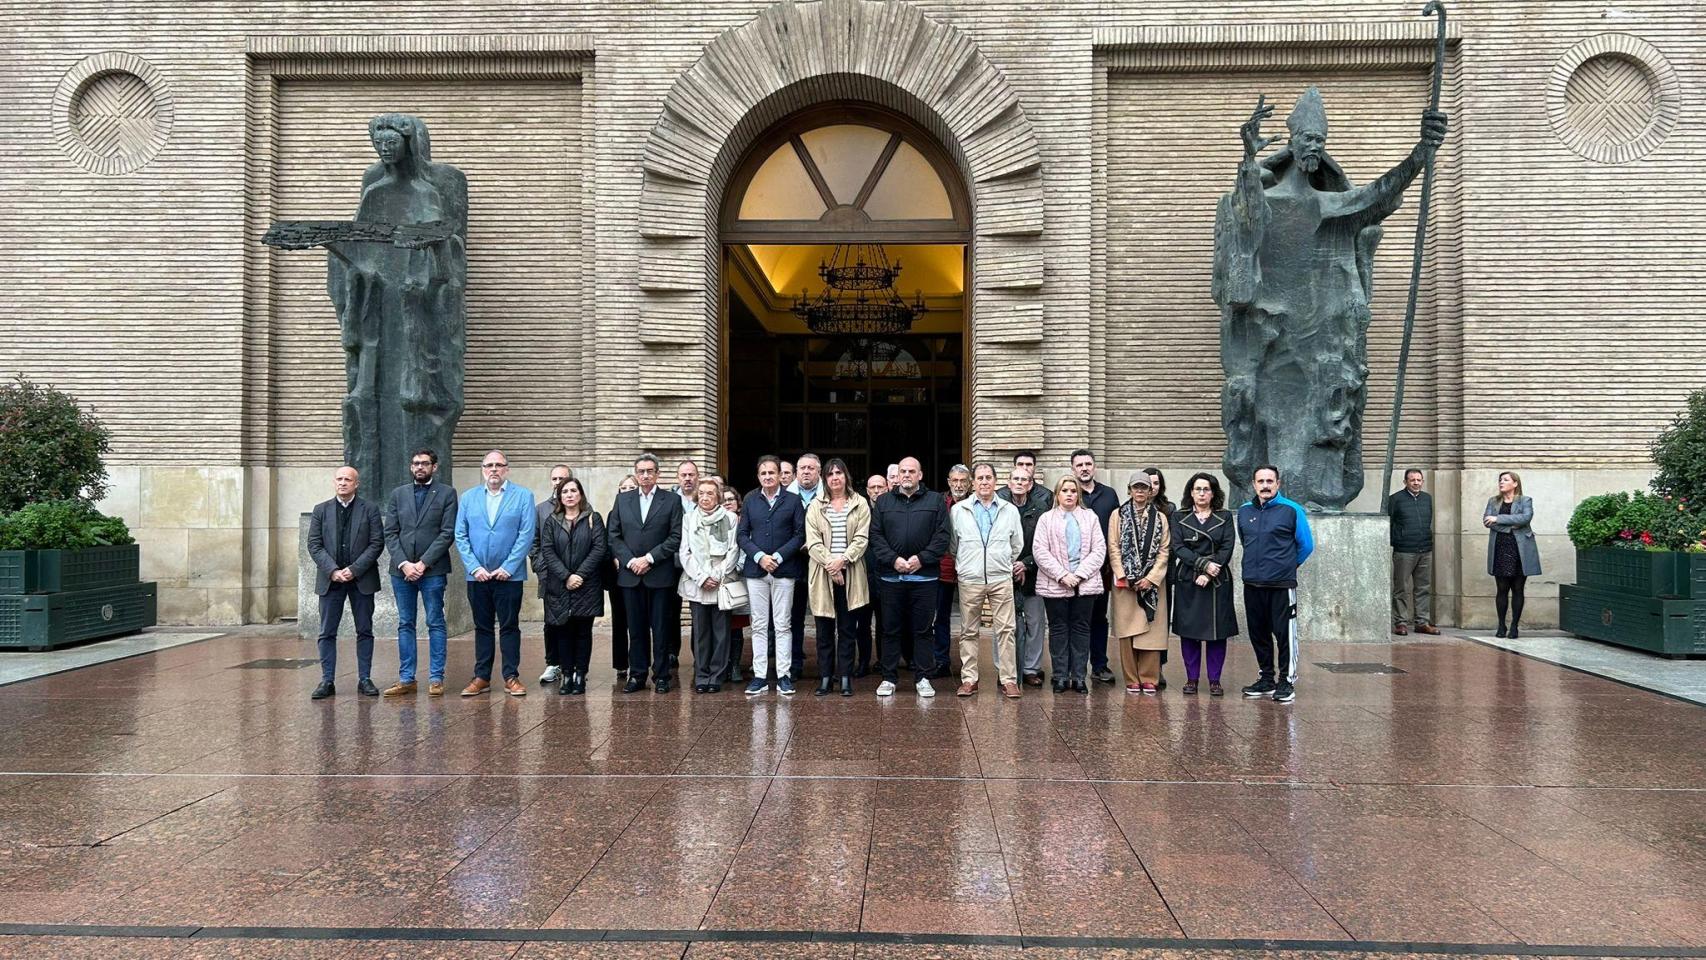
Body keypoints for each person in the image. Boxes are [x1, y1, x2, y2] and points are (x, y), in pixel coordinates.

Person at [454, 450, 536, 697]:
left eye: (499, 465)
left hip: (508, 576)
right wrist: (475, 567)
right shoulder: (468, 498)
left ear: (507, 469)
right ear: (482, 469)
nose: (494, 470)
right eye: (489, 465)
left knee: (509, 626)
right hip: (477, 576)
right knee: (482, 627)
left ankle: (511, 676)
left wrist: (508, 567)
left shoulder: (523, 496)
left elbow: (526, 534)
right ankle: (481, 677)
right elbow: (460, 535)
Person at [869, 456, 949, 698]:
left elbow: (942, 537)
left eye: (911, 471)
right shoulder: (883, 501)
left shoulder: (935, 501)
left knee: (923, 630)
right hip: (891, 578)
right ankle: (889, 678)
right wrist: (894, 560)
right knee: (890, 629)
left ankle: (924, 677)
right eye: (902, 471)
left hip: (924, 578)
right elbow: (876, 536)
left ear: (920, 475)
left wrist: (920, 559)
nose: (906, 475)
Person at [381, 448, 458, 698]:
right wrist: (405, 563)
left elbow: (447, 533)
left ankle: (436, 678)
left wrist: (423, 563)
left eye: (425, 463)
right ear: (410, 467)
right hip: (401, 571)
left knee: (435, 622)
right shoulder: (398, 494)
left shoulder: (447, 493)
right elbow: (390, 532)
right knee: (405, 623)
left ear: (434, 466)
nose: (420, 467)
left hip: (433, 570)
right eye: (415, 463)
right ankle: (407, 678)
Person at [607, 452, 685, 694]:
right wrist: (631, 561)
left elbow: (675, 536)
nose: (645, 475)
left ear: (658, 473)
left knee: (661, 628)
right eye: (641, 471)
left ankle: (662, 675)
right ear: (636, 472)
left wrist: (649, 559)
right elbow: (614, 535)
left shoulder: (671, 500)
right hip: (631, 576)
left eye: (650, 471)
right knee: (636, 628)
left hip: (659, 574)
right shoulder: (623, 500)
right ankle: (637, 674)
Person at [947, 463, 1025, 699]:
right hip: (970, 578)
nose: (983, 482)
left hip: (1000, 577)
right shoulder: (959, 510)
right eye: (979, 478)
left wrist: (1000, 562)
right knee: (969, 631)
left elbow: (1017, 544)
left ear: (995, 481)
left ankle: (1008, 679)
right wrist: (966, 564)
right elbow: (953, 546)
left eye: (988, 477)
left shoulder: (1009, 510)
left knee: (1006, 630)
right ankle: (969, 679)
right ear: (973, 482)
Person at [1236, 464, 1314, 703]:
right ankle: (1266, 678)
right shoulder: (1244, 510)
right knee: (1258, 633)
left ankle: (1286, 681)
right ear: (1254, 484)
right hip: (1253, 584)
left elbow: (1306, 545)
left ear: (1278, 484)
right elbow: (1245, 540)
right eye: (1261, 481)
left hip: (1281, 585)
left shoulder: (1292, 510)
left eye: (1270, 481)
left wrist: (1288, 566)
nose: (1265, 486)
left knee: (1284, 635)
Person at [307, 466, 385, 700]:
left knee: (365, 630)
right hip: (331, 581)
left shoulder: (370, 509)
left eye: (348, 480)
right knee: (327, 632)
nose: (343, 483)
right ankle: (327, 680)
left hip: (361, 579)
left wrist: (354, 569)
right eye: (339, 479)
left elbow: (376, 543)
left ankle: (365, 679)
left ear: (356, 484)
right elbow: (314, 544)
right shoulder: (321, 510)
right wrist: (332, 570)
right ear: (334, 482)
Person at [737, 455, 805, 697]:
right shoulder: (750, 500)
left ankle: (784, 675)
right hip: (756, 571)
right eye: (763, 473)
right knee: (758, 625)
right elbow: (742, 535)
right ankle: (760, 676)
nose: (767, 477)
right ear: (758, 476)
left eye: (772, 473)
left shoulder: (793, 500)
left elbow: (800, 535)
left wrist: (776, 556)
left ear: (780, 475)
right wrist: (759, 557)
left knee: (783, 624)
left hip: (784, 570)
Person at [1033, 476, 1107, 693]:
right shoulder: (1046, 519)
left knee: (1081, 629)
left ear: (1078, 494)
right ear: (1057, 494)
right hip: (1056, 583)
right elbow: (1040, 551)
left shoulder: (1089, 517)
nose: (1069, 494)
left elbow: (1099, 549)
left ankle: (1079, 677)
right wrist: (1063, 575)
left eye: (1073, 491)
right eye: (1064, 490)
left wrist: (1080, 574)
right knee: (1058, 630)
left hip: (1085, 584)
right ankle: (1060, 676)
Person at [805, 459, 870, 697]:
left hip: (851, 574)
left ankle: (844, 676)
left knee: (847, 629)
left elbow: (861, 539)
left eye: (839, 473)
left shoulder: (860, 503)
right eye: (830, 474)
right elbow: (812, 542)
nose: (835, 477)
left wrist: (843, 561)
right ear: (825, 478)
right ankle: (825, 677)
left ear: (846, 476)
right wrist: (832, 567)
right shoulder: (815, 506)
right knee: (823, 630)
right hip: (823, 575)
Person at [1171, 472, 1238, 696]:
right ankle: (1192, 679)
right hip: (1188, 579)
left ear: (1213, 493)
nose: (1202, 493)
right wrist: (1201, 565)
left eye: (1206, 489)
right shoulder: (1179, 517)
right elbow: (1178, 547)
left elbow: (1227, 548)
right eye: (1197, 489)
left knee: (1217, 633)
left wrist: (1210, 572)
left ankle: (1215, 680)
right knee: (1189, 632)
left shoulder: (1225, 516)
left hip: (1217, 581)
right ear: (1191, 492)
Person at [538, 478, 605, 696]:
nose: (569, 495)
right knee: (563, 631)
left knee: (583, 631)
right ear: (559, 497)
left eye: (573, 490)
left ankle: (580, 674)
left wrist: (579, 575)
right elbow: (547, 551)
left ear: (580, 494)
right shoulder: (551, 521)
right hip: (559, 585)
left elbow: (599, 549)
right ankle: (566, 674)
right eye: (564, 491)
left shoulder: (593, 518)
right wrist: (566, 576)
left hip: (587, 585)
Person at [1109, 473, 1171, 694]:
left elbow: (1164, 551)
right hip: (1126, 584)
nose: (1140, 492)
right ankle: (1131, 678)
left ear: (1150, 491)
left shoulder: (1161, 518)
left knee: (1151, 632)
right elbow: (1113, 547)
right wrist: (1124, 574)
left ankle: (1149, 677)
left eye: (1144, 488)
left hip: (1152, 586)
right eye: (1136, 487)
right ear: (1129, 490)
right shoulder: (1118, 515)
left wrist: (1151, 578)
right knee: (1127, 631)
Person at [679, 477, 740, 694]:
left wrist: (716, 574)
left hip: (721, 582)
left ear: (718, 496)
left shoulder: (730, 518)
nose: (705, 497)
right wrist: (702, 577)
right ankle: (702, 674)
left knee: (721, 631)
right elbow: (684, 552)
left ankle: (717, 675)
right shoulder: (688, 518)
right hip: (697, 583)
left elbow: (734, 550)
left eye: (710, 493)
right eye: (702, 493)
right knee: (701, 631)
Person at [1069, 449, 1120, 684]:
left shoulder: (1109, 495)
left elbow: (1117, 530)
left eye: (1088, 463)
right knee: (1074, 618)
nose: (1084, 468)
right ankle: (1072, 667)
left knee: (1099, 618)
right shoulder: (1067, 494)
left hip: (1102, 570)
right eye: (1079, 465)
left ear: (1095, 466)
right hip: (1071, 571)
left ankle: (1099, 665)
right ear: (1073, 469)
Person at [1484, 471, 1540, 639]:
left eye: (1506, 480)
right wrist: (1509, 525)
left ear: (1515, 483)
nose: (1501, 482)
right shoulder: (1493, 501)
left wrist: (1498, 519)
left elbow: (1525, 518)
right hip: (1501, 547)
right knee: (1501, 589)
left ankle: (1514, 626)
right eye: (1500, 480)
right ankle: (1501, 625)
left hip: (1519, 549)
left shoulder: (1525, 500)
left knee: (1518, 588)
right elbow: (1487, 521)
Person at [532, 463, 574, 686]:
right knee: (552, 621)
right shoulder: (540, 509)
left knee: (574, 620)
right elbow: (534, 542)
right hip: (550, 577)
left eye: (563, 479)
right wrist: (541, 566)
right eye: (555, 479)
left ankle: (574, 664)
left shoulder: (582, 507)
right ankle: (553, 663)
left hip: (574, 577)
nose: (558, 483)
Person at [1006, 468, 1049, 686]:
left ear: (1031, 484)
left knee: (1035, 622)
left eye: (1024, 479)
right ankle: (1007, 670)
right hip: (1005, 573)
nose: (1020, 482)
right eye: (1016, 479)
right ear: (1008, 481)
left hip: (1034, 573)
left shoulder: (1041, 508)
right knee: (1005, 625)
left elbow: (1044, 543)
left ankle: (1031, 669)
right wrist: (1011, 565)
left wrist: (1026, 564)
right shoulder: (1000, 506)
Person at [932, 464, 972, 676]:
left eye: (963, 481)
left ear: (969, 483)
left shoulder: (977, 503)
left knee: (970, 619)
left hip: (971, 570)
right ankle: (941, 661)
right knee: (941, 617)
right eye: (954, 480)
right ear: (948, 482)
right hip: (944, 569)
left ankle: (969, 665)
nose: (958, 485)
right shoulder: (938, 502)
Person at [1389, 468, 1439, 636]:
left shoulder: (1427, 499)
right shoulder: (1395, 499)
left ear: (1422, 481)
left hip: (1425, 549)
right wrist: (1397, 540)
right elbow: (1389, 523)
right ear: (1405, 482)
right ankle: (1401, 623)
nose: (1416, 483)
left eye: (1419, 480)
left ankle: (1422, 622)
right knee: (1401, 588)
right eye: (1412, 480)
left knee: (1423, 588)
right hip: (1404, 550)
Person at [786, 453, 823, 679]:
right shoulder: (786, 495)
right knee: (794, 616)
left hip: (821, 562)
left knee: (823, 615)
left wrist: (816, 546)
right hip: (794, 562)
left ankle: (825, 664)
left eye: (810, 468)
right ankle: (795, 663)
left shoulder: (828, 494)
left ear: (819, 472)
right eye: (802, 468)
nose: (806, 472)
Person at [855, 473, 891, 676]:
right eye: (872, 487)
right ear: (867, 490)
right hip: (863, 574)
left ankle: (885, 662)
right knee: (863, 623)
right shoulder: (860, 511)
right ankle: (863, 662)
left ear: (886, 488)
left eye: (880, 486)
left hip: (886, 575)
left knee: (886, 624)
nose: (876, 490)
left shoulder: (891, 509)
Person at [1143, 467, 1175, 689]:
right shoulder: (1131, 509)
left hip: (1162, 574)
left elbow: (1170, 544)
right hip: (1137, 575)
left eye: (1156, 483)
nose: (1152, 487)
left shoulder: (1169, 510)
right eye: (1148, 483)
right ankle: (1141, 666)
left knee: (1160, 621)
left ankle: (1159, 666)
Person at [607, 474, 638, 682]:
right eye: (623, 488)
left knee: (638, 622)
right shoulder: (613, 513)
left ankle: (639, 661)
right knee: (620, 622)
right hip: (619, 574)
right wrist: (617, 558)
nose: (627, 490)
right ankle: (620, 664)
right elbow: (610, 539)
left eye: (631, 487)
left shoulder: (643, 511)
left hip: (639, 570)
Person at [720, 486, 748, 684]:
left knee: (736, 626)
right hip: (718, 579)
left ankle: (735, 665)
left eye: (731, 499)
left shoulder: (744, 522)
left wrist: (735, 567)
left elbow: (747, 545)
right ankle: (721, 665)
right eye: (723, 499)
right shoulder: (715, 522)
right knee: (720, 625)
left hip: (739, 577)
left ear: (738, 503)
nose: (728, 502)